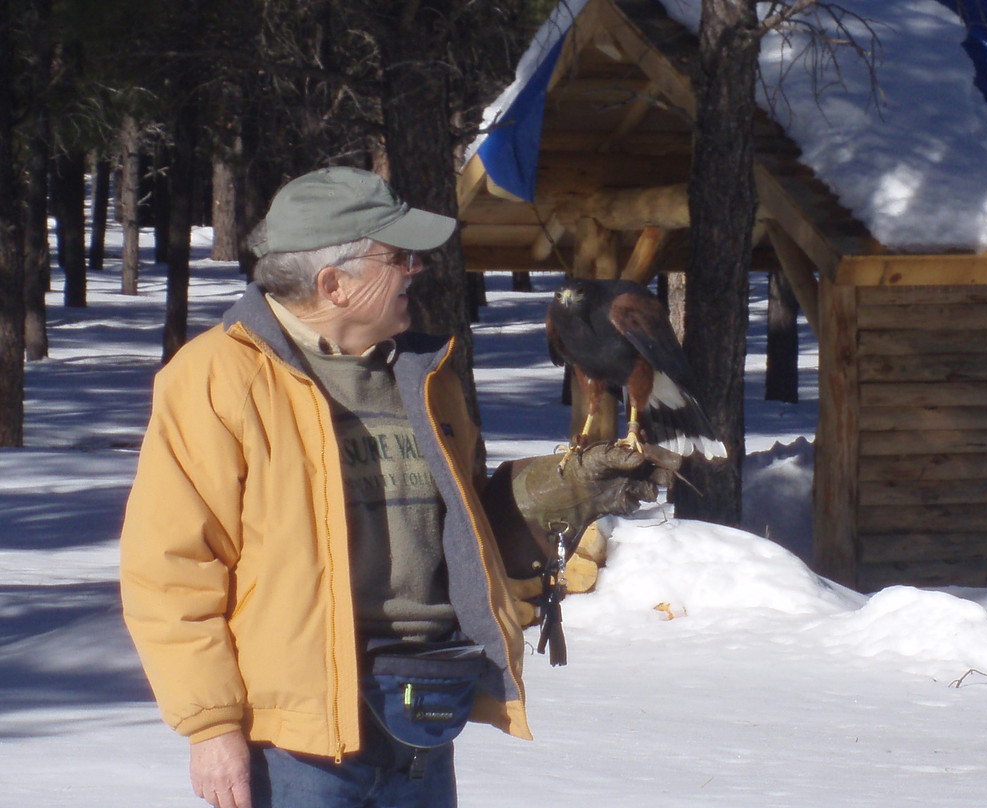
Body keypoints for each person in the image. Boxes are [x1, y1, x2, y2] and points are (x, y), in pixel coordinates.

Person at [119, 166, 672, 808]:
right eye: (398, 257)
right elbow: (171, 570)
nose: (418, 269)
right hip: (297, 742)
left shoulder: (424, 373)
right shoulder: (217, 378)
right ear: (334, 284)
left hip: (425, 709)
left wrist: (556, 491)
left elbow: (463, 531)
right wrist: (211, 726)